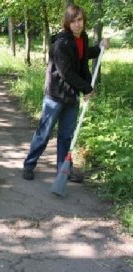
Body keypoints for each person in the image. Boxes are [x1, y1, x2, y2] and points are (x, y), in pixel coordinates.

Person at [22, 4, 109, 182]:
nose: (77, 24)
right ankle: (29, 165)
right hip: (55, 96)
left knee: (66, 135)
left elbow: (82, 57)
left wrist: (99, 48)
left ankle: (63, 171)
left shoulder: (82, 38)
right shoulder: (61, 43)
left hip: (71, 96)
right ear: (67, 23)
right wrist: (87, 87)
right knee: (44, 133)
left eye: (80, 20)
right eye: (73, 20)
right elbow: (67, 72)